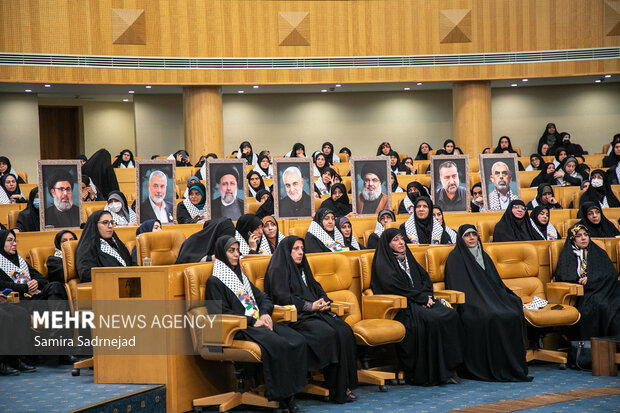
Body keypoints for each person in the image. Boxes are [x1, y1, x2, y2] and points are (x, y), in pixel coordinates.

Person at [205, 236, 308, 410]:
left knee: (296, 339)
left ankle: (292, 393)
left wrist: (266, 314)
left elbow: (263, 298)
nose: (237, 254)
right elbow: (221, 313)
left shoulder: (241, 277)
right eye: (231, 251)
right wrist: (253, 321)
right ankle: (281, 397)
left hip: (257, 323)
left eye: (238, 250)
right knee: (278, 344)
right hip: (236, 329)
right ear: (222, 253)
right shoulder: (214, 281)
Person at [264, 236, 358, 404]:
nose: (300, 252)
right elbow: (283, 297)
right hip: (293, 317)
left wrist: (323, 301)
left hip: (313, 313)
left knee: (344, 330)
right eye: (296, 249)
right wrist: (310, 306)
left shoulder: (302, 266)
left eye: (302, 248)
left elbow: (316, 286)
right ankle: (335, 387)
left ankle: (343, 385)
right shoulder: (278, 269)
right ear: (287, 251)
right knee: (328, 333)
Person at [370, 228, 463, 385]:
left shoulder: (408, 258)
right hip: (403, 307)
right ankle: (433, 372)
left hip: (421, 301)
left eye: (402, 239)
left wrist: (427, 297)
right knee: (432, 320)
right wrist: (420, 298)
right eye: (396, 240)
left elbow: (425, 278)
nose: (401, 243)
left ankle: (450, 368)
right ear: (387, 244)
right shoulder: (383, 262)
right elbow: (394, 287)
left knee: (450, 315)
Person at [445, 225, 531, 382]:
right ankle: (489, 366)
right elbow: (458, 286)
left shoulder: (484, 256)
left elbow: (496, 283)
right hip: (471, 303)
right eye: (467, 235)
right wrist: (481, 302)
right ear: (460, 238)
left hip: (491, 299)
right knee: (490, 316)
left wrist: (505, 297)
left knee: (513, 309)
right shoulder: (455, 258)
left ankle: (510, 364)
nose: (471, 238)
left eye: (474, 235)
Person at [554, 224, 620, 340]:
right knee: (601, 306)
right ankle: (596, 347)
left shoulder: (599, 252)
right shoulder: (568, 256)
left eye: (586, 235)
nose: (583, 238)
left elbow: (610, 274)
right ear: (572, 239)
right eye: (579, 236)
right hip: (585, 294)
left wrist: (592, 278)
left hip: (606, 289)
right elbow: (563, 277)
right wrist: (579, 281)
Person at [0, 229, 67, 301]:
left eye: (15, 240)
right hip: (18, 300)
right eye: (10, 240)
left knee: (56, 286)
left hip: (34, 295)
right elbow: (2, 284)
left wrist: (36, 282)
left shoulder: (20, 260)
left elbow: (41, 278)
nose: (14, 244)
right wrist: (25, 287)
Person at [75, 211, 133, 283]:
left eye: (112, 222)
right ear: (95, 225)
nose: (110, 226)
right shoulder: (87, 247)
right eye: (105, 222)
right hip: (106, 288)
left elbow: (130, 264)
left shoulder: (116, 243)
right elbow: (86, 275)